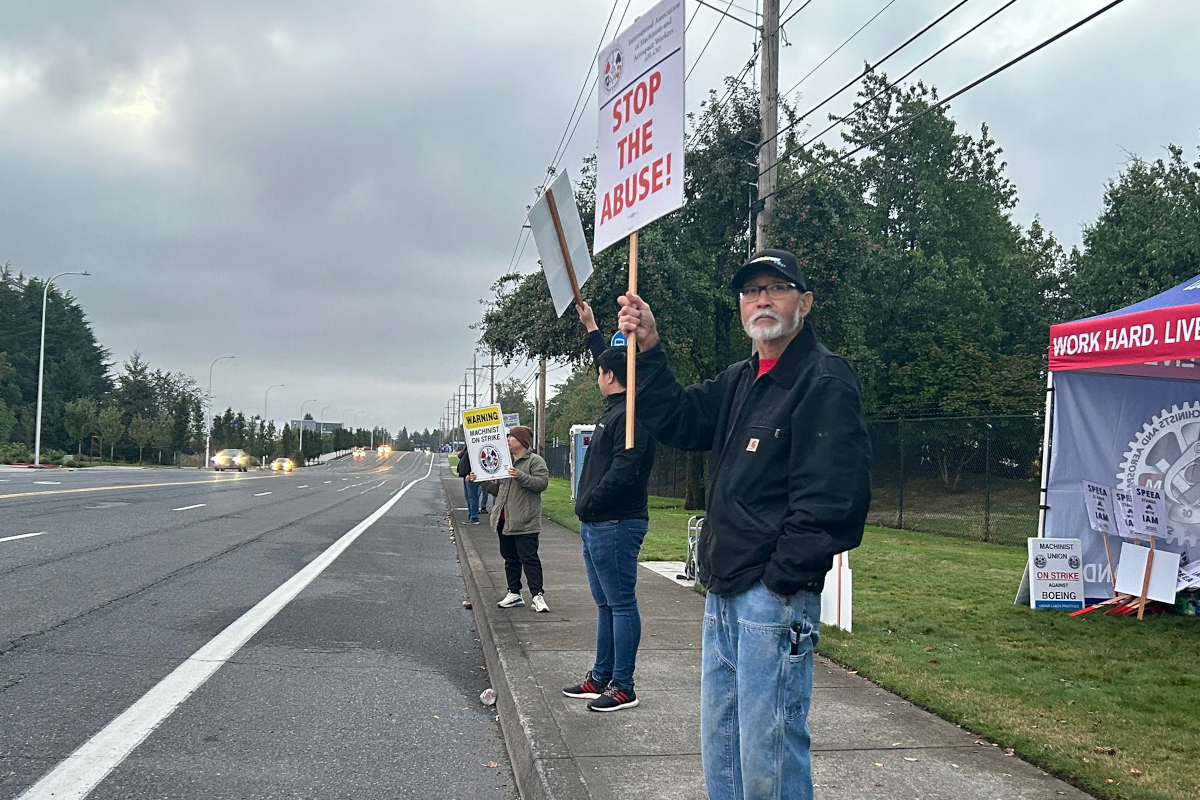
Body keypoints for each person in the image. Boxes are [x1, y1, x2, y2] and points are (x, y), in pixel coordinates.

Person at [616, 249, 871, 800]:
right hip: (723, 593)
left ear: (803, 303)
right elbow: (680, 420)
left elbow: (834, 503)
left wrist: (781, 579)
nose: (761, 299)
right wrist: (650, 348)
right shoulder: (740, 380)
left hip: (772, 599)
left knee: (768, 755)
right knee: (724, 747)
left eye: (775, 288)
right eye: (750, 291)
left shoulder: (823, 380)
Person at [560, 301, 657, 713]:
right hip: (598, 524)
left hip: (616, 523)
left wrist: (590, 502)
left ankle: (623, 685)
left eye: (600, 371)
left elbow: (626, 469)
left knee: (620, 603)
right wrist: (591, 327)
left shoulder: (632, 416)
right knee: (605, 604)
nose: (597, 374)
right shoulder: (617, 409)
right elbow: (608, 357)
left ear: (610, 378)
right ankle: (601, 676)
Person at [470, 425, 551, 613]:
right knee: (510, 559)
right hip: (504, 520)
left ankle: (537, 595)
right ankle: (514, 592)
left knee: (529, 559)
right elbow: (499, 490)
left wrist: (519, 475)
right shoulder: (503, 461)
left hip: (525, 522)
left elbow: (542, 483)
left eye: (510, 437)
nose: (507, 440)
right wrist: (480, 481)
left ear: (522, 441)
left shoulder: (534, 461)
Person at [456, 445, 482, 524]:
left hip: (470, 476)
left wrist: (468, 473)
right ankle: (472, 516)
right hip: (466, 475)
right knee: (468, 497)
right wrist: (461, 456)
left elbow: (474, 461)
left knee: (472, 497)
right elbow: (466, 460)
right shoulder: (467, 448)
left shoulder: (474, 447)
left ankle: (474, 517)